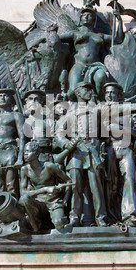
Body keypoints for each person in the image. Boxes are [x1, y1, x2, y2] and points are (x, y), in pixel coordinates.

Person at [54, 81, 108, 227]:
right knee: (75, 185)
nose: (90, 92)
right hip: (76, 153)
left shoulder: (96, 109)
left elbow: (116, 109)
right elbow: (58, 133)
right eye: (86, 89)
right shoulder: (70, 111)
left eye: (91, 89)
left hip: (92, 151)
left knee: (96, 186)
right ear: (78, 92)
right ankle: (74, 218)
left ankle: (101, 218)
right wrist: (66, 143)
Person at [102, 82, 136, 226]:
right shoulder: (104, 108)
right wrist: (128, 131)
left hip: (126, 149)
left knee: (129, 180)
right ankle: (108, 216)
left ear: (119, 95)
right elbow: (108, 127)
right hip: (109, 148)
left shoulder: (129, 113)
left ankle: (129, 215)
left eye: (113, 93)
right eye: (107, 93)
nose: (110, 96)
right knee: (109, 183)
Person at [59, 5, 123, 101]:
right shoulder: (75, 33)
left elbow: (118, 40)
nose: (86, 17)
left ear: (93, 20)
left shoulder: (100, 35)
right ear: (80, 19)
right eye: (84, 15)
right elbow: (57, 38)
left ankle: (100, 101)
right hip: (79, 64)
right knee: (72, 91)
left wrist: (120, 21)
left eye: (89, 15)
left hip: (95, 65)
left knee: (101, 77)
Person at [19, 141, 74, 232]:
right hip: (38, 203)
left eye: (28, 151)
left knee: (60, 224)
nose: (25, 154)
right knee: (24, 199)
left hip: (53, 202)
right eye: (24, 151)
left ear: (37, 154)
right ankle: (37, 226)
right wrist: (45, 189)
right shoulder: (25, 169)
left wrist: (64, 202)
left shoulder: (49, 167)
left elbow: (69, 181)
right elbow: (23, 193)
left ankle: (54, 220)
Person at [0, 88, 25, 198]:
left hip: (9, 151)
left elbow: (22, 136)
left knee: (11, 185)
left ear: (11, 99)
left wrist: (20, 157)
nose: (2, 98)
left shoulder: (16, 115)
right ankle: (0, 213)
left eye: (5, 95)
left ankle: (14, 212)